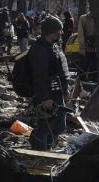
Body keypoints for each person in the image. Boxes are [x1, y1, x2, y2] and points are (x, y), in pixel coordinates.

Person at [28, 16, 70, 150]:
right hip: (46, 96)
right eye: (59, 31)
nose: (61, 33)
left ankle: (47, 148)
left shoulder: (54, 46)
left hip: (57, 93)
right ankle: (40, 154)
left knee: (59, 126)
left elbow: (61, 70)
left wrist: (66, 89)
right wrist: (45, 98)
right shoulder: (39, 49)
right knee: (45, 128)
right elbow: (39, 77)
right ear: (52, 32)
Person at [77, 11, 98, 80]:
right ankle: (80, 83)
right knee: (83, 67)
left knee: (95, 68)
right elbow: (80, 33)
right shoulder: (83, 18)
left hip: (97, 48)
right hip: (86, 47)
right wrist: (82, 47)